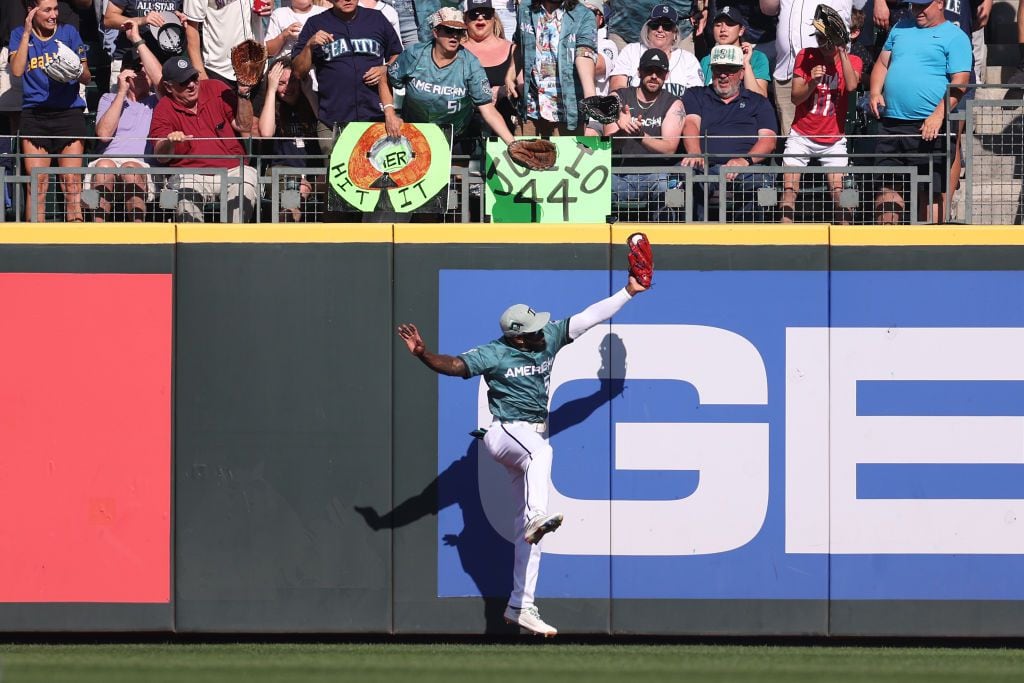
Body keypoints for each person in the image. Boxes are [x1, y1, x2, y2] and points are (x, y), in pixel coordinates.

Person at [395, 272, 648, 637]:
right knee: (542, 453)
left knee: (530, 534)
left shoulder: (548, 339)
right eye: (531, 329)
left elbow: (591, 316)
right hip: (503, 433)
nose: (540, 331)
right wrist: (423, 354)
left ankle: (521, 605)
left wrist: (628, 291)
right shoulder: (494, 353)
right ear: (515, 334)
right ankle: (535, 517)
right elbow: (454, 365)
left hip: (527, 441)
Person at [868, 0, 970, 224]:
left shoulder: (956, 37)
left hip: (930, 126)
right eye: (913, 6)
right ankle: (886, 248)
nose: (917, 11)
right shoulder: (900, 28)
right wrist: (875, 91)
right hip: (892, 123)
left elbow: (960, 83)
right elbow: (883, 64)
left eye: (922, 6)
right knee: (886, 188)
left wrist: (938, 115)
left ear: (940, 4)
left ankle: (930, 250)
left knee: (931, 191)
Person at [9, 0, 92, 222]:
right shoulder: (18, 34)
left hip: (68, 113)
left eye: (56, 9)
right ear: (32, 10)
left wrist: (75, 71)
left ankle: (74, 243)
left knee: (72, 183)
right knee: (38, 185)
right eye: (47, 10)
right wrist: (27, 32)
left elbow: (87, 76)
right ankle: (35, 245)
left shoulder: (69, 32)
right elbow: (17, 70)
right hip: (35, 115)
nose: (53, 14)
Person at [149, 56, 258, 222]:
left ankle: (234, 242)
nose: (192, 85)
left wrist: (243, 94)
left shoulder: (215, 88)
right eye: (183, 82)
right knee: (184, 196)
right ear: (169, 87)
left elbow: (244, 126)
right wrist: (169, 142)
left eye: (193, 77)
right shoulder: (164, 107)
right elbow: (161, 155)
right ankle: (193, 246)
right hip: (190, 174)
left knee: (246, 183)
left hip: (233, 168)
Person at [779, 9, 860, 223]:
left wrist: (842, 52)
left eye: (825, 37)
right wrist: (812, 82)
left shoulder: (852, 61)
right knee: (789, 190)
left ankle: (844, 243)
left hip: (833, 138)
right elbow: (796, 98)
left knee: (839, 193)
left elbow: (852, 86)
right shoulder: (806, 55)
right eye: (818, 36)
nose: (820, 40)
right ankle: (783, 241)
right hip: (802, 134)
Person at [681, 44, 778, 220]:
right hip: (705, 165)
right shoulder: (695, 94)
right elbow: (690, 124)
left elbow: (769, 140)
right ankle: (693, 237)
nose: (724, 75)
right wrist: (695, 153)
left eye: (730, 70)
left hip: (747, 166)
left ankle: (748, 238)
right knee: (684, 177)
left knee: (761, 180)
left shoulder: (758, 101)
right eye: (718, 70)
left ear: (741, 73)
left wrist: (744, 160)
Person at [292, 0, 403, 154]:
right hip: (332, 120)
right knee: (335, 176)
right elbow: (298, 71)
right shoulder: (315, 23)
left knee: (377, 175)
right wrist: (309, 46)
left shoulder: (376, 18)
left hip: (375, 117)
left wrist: (386, 68)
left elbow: (398, 54)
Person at [87, 24, 162, 221]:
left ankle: (136, 235)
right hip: (108, 162)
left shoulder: (158, 101)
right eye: (138, 68)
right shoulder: (108, 98)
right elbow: (103, 134)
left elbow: (160, 79)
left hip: (141, 165)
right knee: (104, 167)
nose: (144, 73)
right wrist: (121, 93)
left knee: (130, 169)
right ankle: (98, 233)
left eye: (147, 69)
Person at [605, 48, 685, 217]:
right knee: (598, 183)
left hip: (657, 175)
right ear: (639, 72)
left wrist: (640, 136)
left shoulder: (674, 103)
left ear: (667, 75)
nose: (654, 76)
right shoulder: (618, 97)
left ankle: (670, 239)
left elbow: (669, 149)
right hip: (620, 174)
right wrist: (623, 131)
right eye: (649, 71)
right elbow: (608, 146)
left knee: (673, 190)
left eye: (659, 72)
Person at [762, 0, 850, 136]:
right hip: (787, 69)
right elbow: (767, 9)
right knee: (792, 142)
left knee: (825, 140)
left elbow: (842, 27)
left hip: (825, 72)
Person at [514, 0, 598, 136]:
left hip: (568, 113)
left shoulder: (584, 15)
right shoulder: (524, 8)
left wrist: (590, 96)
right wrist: (515, 77)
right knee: (523, 156)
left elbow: (585, 53)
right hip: (530, 109)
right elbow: (518, 43)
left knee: (567, 157)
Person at [258, 57, 320, 222]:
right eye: (281, 83)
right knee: (292, 193)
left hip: (315, 173)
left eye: (292, 81)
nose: (288, 87)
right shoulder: (271, 107)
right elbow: (265, 132)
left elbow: (322, 118)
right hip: (282, 171)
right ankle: (290, 238)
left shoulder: (311, 103)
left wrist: (306, 89)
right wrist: (271, 91)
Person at [608, 5, 703, 98]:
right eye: (655, 25)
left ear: (675, 33)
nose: (660, 29)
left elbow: (696, 98)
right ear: (647, 29)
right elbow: (617, 87)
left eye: (667, 26)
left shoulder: (688, 60)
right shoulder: (631, 51)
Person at [462, 0, 518, 134]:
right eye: (474, 14)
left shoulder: (513, 49)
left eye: (486, 14)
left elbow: (524, 85)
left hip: (505, 126)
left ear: (494, 17)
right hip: (466, 127)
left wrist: (504, 90)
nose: (480, 18)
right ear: (465, 19)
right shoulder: (456, 50)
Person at [183, 0, 268, 85]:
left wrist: (269, 4)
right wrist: (201, 75)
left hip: (258, 66)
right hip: (221, 71)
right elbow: (190, 27)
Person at [698, 5, 769, 97]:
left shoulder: (757, 57)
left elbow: (760, 99)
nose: (723, 29)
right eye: (718, 25)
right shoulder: (706, 60)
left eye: (730, 24)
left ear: (741, 30)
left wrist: (746, 64)